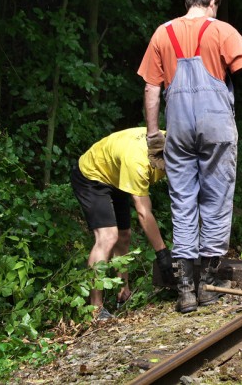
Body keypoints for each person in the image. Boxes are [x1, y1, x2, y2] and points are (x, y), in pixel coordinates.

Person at [138, 0, 242, 314]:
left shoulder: (162, 34)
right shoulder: (221, 30)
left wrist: (154, 135)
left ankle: (184, 291)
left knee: (183, 203)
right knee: (215, 200)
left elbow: (151, 91)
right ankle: (207, 286)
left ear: (188, 1)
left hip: (179, 130)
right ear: (213, 2)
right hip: (216, 129)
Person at [70, 127, 174, 321]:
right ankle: (95, 309)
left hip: (116, 174)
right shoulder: (138, 162)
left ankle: (122, 292)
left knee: (124, 235)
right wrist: (162, 252)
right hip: (92, 176)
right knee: (108, 236)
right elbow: (143, 212)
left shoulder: (170, 140)